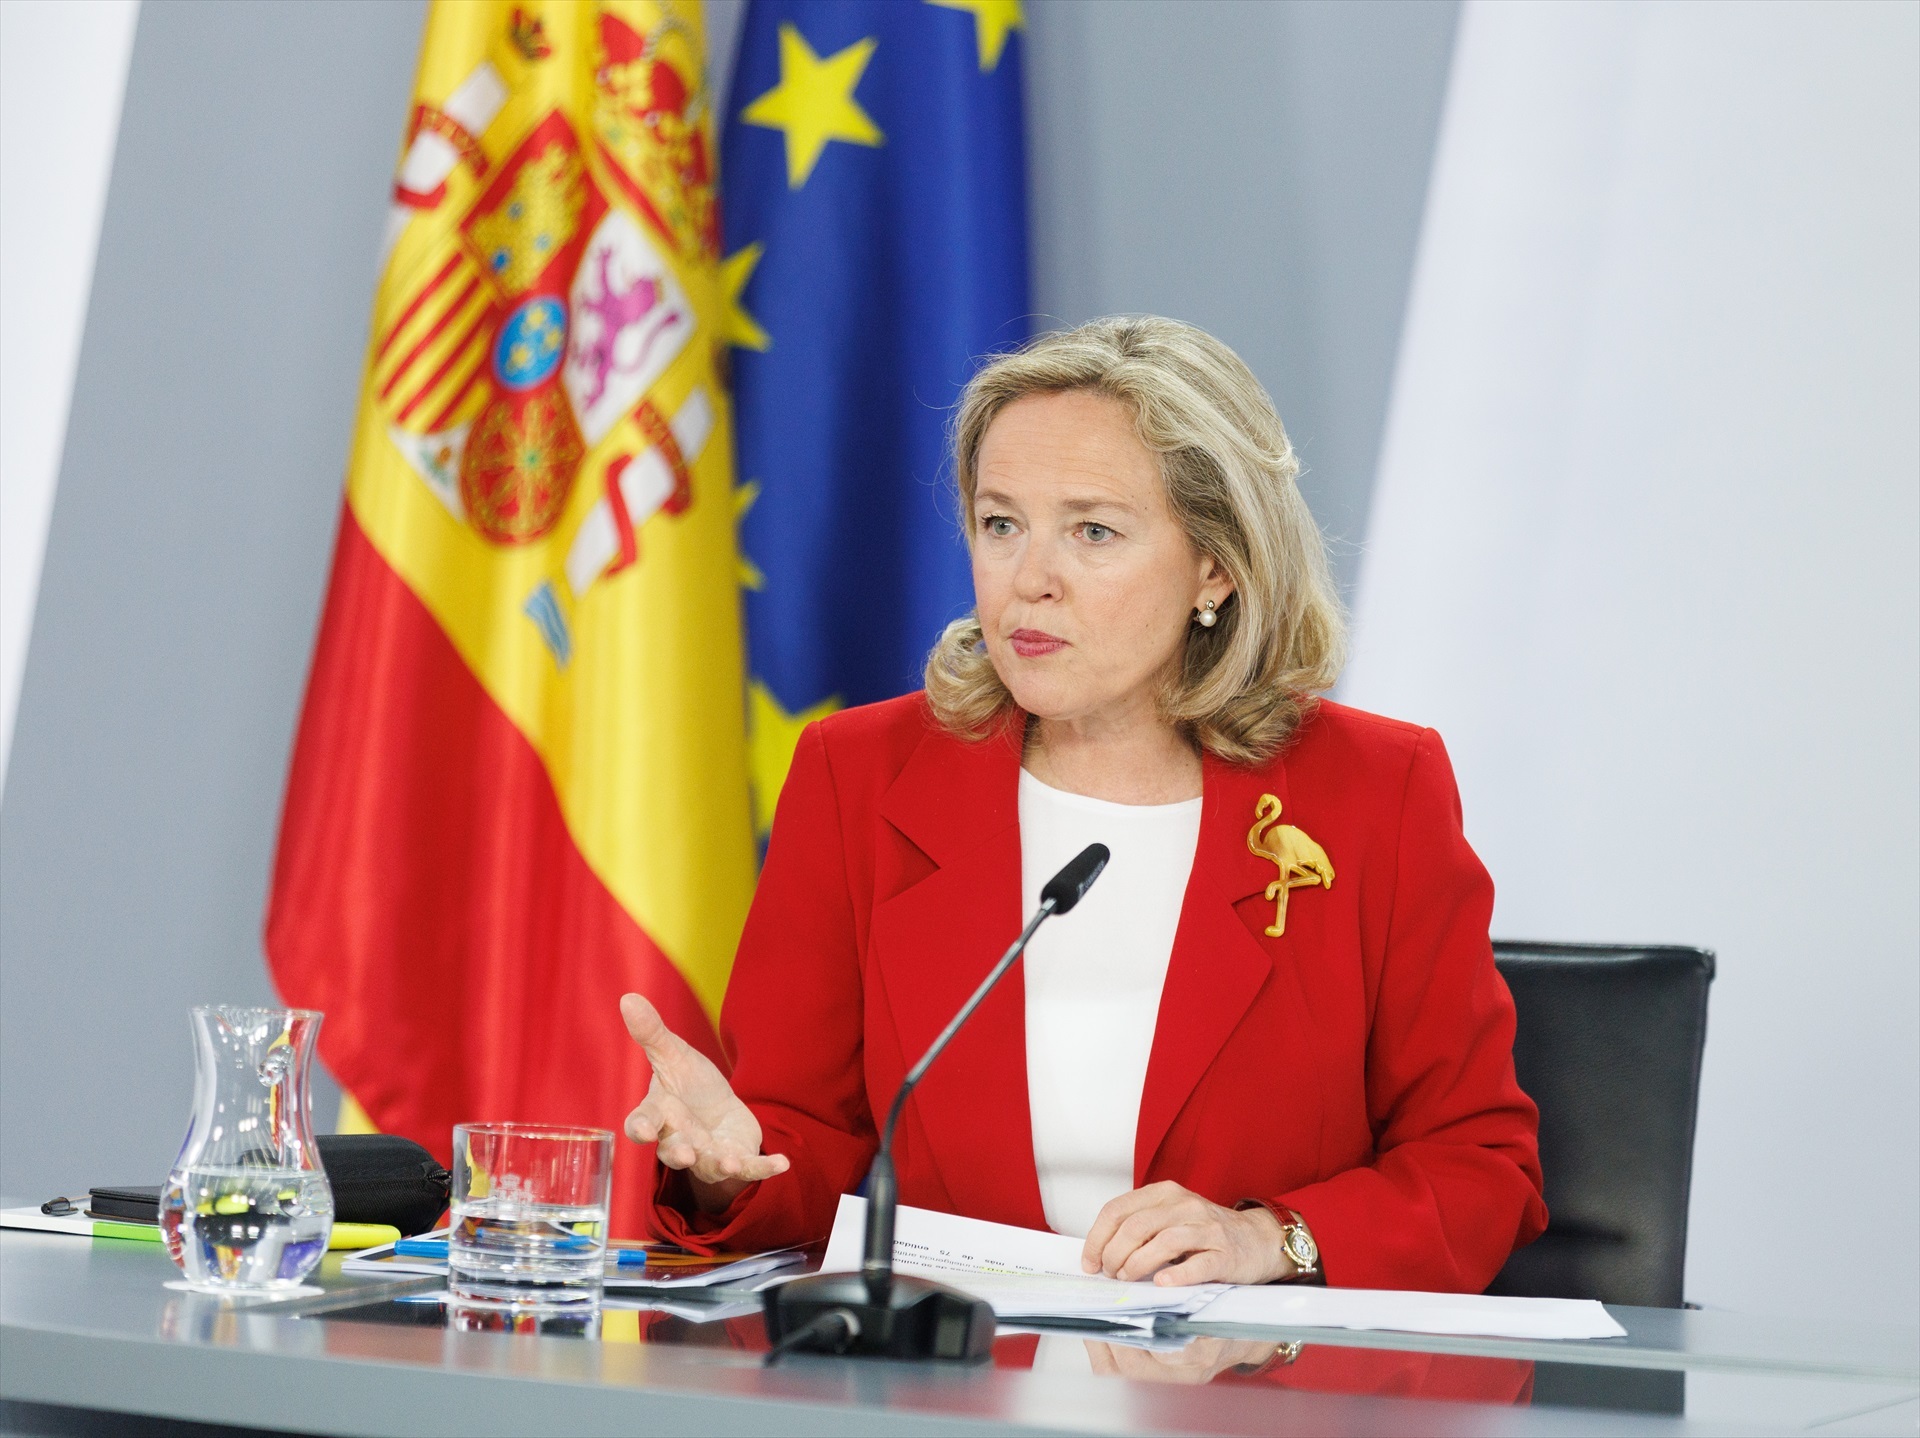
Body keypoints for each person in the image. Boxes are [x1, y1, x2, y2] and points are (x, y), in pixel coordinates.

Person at [621, 316, 1547, 1291]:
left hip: (1243, 1371)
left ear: (1217, 565)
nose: (1029, 581)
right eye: (1001, 524)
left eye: (1092, 531)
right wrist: (729, 1167)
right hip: (954, 1364)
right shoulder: (860, 776)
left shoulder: (1373, 793)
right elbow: (808, 1145)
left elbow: (1479, 1167)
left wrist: (1270, 1240)